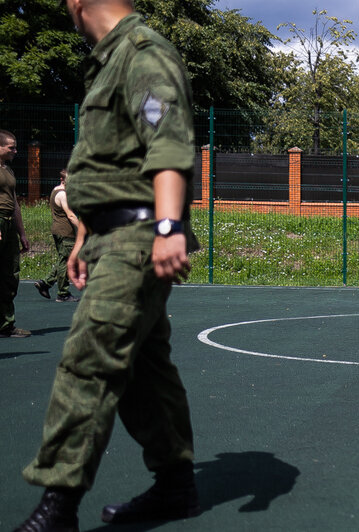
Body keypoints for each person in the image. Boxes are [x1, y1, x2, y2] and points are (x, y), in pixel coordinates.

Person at [16, 0, 201, 530]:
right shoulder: (108, 62)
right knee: (144, 369)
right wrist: (85, 235)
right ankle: (176, 485)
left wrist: (167, 227)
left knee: (89, 357)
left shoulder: (142, 54)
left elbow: (167, 143)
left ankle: (58, 505)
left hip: (138, 236)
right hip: (109, 235)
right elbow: (109, 167)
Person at [0, 128, 31, 338]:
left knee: (10, 274)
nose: (15, 151)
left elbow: (16, 204)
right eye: (11, 147)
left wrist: (22, 233)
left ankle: (6, 325)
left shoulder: (8, 170)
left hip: (9, 224)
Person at [35, 170, 81, 303]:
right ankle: (62, 293)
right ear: (63, 180)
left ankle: (45, 283)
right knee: (66, 261)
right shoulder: (62, 194)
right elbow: (71, 215)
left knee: (65, 260)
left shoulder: (56, 190)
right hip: (65, 232)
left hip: (60, 230)